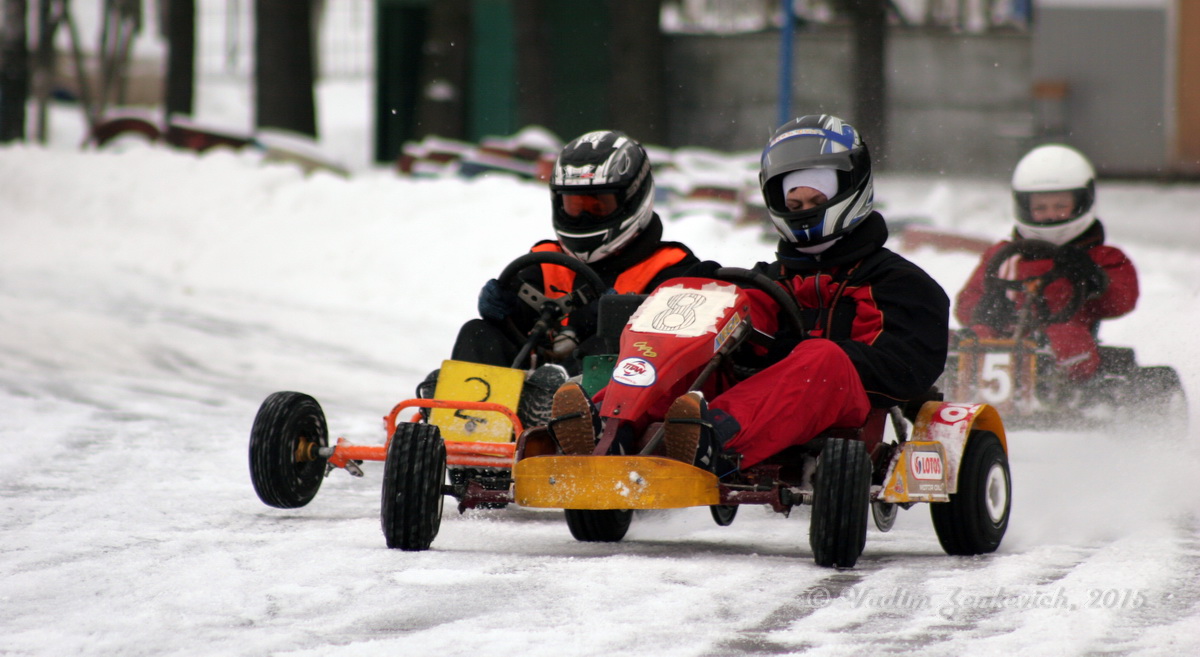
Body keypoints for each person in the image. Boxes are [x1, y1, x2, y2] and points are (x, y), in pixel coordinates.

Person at [549, 115, 951, 473]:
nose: (804, 208)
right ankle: (610, 427)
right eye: (794, 201)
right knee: (694, 305)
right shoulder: (771, 281)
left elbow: (906, 369)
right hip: (763, 400)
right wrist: (701, 294)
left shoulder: (900, 282)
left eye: (816, 200)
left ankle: (708, 438)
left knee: (823, 356)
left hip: (846, 409)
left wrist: (806, 353)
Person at [421, 130, 700, 413]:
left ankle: (561, 411)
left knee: (603, 347)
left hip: (619, 405)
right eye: (575, 206)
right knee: (478, 332)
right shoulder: (546, 261)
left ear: (633, 198)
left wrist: (616, 318)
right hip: (534, 385)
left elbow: (688, 338)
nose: (585, 216)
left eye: (597, 206)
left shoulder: (673, 269)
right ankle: (467, 426)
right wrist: (505, 309)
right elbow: (521, 331)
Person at [954, 144, 1138, 382]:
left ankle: (1051, 387)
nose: (1050, 215)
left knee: (1062, 338)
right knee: (971, 337)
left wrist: (1094, 279)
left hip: (1064, 332)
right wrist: (986, 309)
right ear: (1024, 207)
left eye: (1060, 206)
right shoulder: (1004, 255)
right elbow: (966, 303)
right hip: (1002, 333)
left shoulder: (1102, 257)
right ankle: (956, 387)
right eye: (1041, 208)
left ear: (1082, 202)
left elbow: (1122, 300)